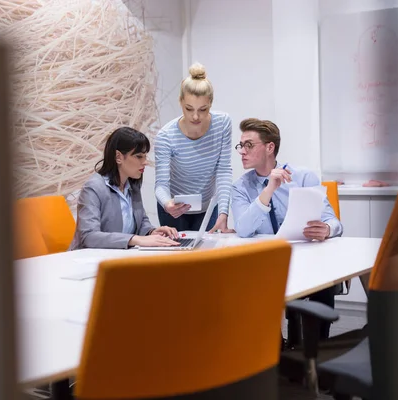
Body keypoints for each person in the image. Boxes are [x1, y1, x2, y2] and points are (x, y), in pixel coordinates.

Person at [231, 118, 343, 340]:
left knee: (322, 281)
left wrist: (327, 229)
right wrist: (268, 190)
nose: (242, 151)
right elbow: (243, 229)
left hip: (305, 259)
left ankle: (318, 350)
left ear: (270, 147)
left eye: (249, 145)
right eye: (240, 145)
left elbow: (334, 221)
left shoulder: (302, 177)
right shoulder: (240, 187)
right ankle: (273, 348)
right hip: (266, 263)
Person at [69, 127, 179, 250]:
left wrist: (151, 232)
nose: (145, 162)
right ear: (118, 157)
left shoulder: (132, 184)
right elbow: (89, 236)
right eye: (139, 156)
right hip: (89, 261)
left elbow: (141, 221)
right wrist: (136, 239)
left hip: (119, 257)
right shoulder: (93, 188)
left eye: (145, 156)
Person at [154, 62, 234, 233]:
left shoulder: (223, 124)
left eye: (203, 109)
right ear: (180, 102)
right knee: (178, 257)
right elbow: (161, 183)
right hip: (173, 209)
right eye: (189, 109)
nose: (196, 116)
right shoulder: (166, 136)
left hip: (207, 207)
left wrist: (223, 212)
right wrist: (168, 204)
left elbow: (224, 171)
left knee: (208, 255)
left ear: (211, 103)